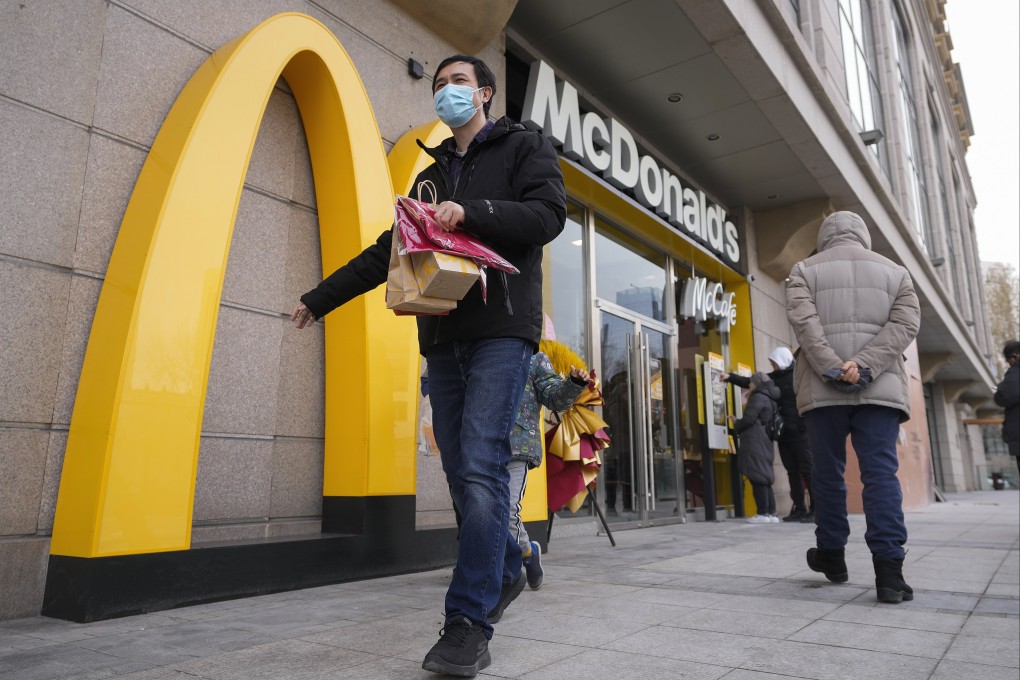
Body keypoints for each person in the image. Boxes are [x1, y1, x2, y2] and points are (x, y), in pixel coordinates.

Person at [292, 54, 566, 676]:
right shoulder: (430, 174)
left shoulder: (524, 146)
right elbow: (389, 250)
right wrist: (320, 298)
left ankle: (466, 625)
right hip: (442, 338)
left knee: (482, 466)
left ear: (485, 92)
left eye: (458, 82)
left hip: (502, 331)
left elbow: (548, 217)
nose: (447, 92)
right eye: (439, 85)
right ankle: (505, 567)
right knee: (463, 475)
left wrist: (474, 212)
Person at [786, 210, 920, 604]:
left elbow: (805, 324)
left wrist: (833, 366)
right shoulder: (896, 272)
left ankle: (832, 555)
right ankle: (890, 572)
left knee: (827, 475)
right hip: (880, 386)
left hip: (822, 389)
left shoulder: (804, 269)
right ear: (863, 235)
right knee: (880, 476)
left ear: (824, 236)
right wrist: (864, 366)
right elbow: (905, 325)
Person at [507, 354, 592, 591]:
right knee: (483, 509)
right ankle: (521, 553)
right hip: (483, 443)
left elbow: (555, 397)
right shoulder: (483, 349)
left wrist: (573, 383)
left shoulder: (534, 358)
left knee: (508, 509)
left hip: (518, 446)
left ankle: (525, 555)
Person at [722, 347, 814, 522]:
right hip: (783, 433)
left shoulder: (798, 376)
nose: (773, 366)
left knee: (807, 471)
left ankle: (816, 509)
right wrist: (730, 377)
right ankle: (800, 509)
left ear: (782, 360)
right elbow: (752, 382)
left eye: (774, 363)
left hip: (801, 433)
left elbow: (809, 399)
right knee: (792, 472)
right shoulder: (773, 379)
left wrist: (804, 424)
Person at [727, 372, 781, 524]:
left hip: (754, 440)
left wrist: (737, 424)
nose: (749, 385)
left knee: (757, 476)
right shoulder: (770, 398)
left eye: (751, 382)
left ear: (757, 383)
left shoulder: (758, 397)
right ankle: (771, 513)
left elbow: (749, 419)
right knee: (764, 477)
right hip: (764, 439)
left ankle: (762, 513)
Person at [994, 340, 1019, 475]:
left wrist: (997, 393)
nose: (1008, 363)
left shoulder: (1016, 372)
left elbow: (1005, 396)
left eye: (1008, 360)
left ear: (1014, 356)